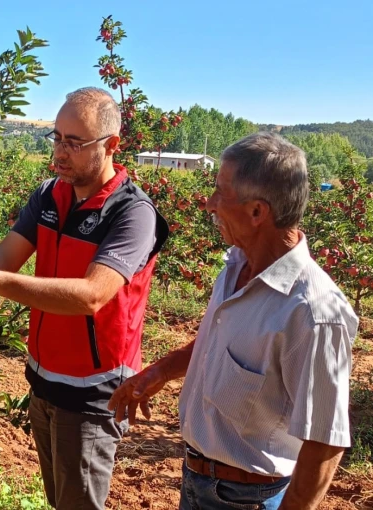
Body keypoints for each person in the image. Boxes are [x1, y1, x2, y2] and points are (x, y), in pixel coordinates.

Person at [0, 87, 169, 509]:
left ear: (111, 145)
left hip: (93, 393)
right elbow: (5, 256)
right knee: (58, 500)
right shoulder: (49, 195)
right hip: (43, 381)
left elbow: (92, 295)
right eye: (57, 138)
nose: (60, 151)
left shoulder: (132, 213)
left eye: (74, 143)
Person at [108, 132, 359, 510]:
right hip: (198, 481)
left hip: (248, 499)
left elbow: (325, 440)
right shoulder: (237, 265)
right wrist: (159, 372)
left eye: (220, 193)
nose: (209, 203)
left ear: (257, 212)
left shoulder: (313, 313)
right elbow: (219, 344)